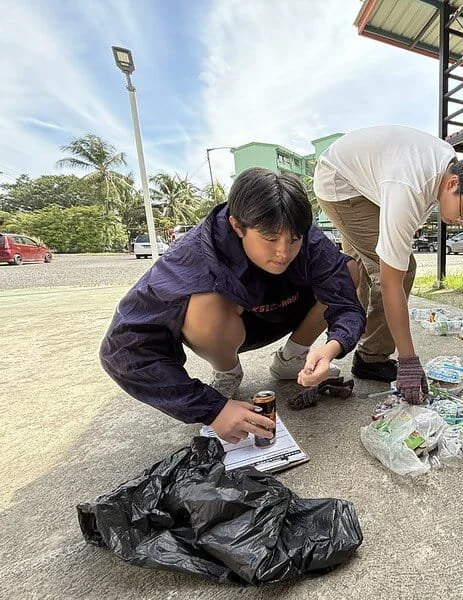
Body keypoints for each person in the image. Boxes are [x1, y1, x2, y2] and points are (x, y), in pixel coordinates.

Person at [100, 168, 366, 443]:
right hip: (230, 328)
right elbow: (122, 349)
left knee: (347, 271)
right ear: (237, 226)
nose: (283, 252)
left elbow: (345, 304)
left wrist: (331, 347)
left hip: (288, 312)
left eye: (294, 239)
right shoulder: (193, 255)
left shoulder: (305, 235)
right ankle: (227, 371)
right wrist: (213, 409)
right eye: (271, 239)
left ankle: (294, 357)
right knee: (204, 300)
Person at [314, 125, 463, 403]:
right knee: (395, 271)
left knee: (361, 272)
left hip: (364, 178)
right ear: (453, 184)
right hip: (340, 183)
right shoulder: (408, 187)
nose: (462, 222)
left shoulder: (447, 165)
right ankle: (370, 357)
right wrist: (409, 359)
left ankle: (354, 345)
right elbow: (391, 283)